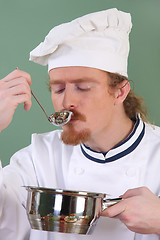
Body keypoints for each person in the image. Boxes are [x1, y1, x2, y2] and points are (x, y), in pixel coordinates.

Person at [0, 8, 160, 240]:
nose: (66, 102)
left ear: (119, 92)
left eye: (83, 87)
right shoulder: (39, 157)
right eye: (58, 88)